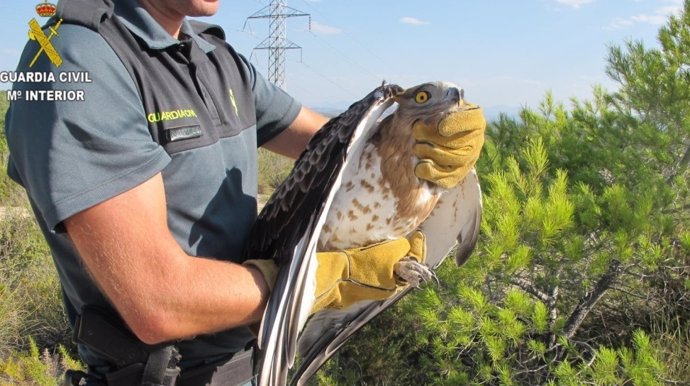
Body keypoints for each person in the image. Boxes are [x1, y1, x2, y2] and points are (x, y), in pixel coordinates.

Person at [4, 0, 485, 385]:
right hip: (164, 375)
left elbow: (331, 143)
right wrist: (326, 280)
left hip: (261, 358)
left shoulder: (213, 58)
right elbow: (158, 302)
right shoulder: (74, 61)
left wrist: (415, 136)